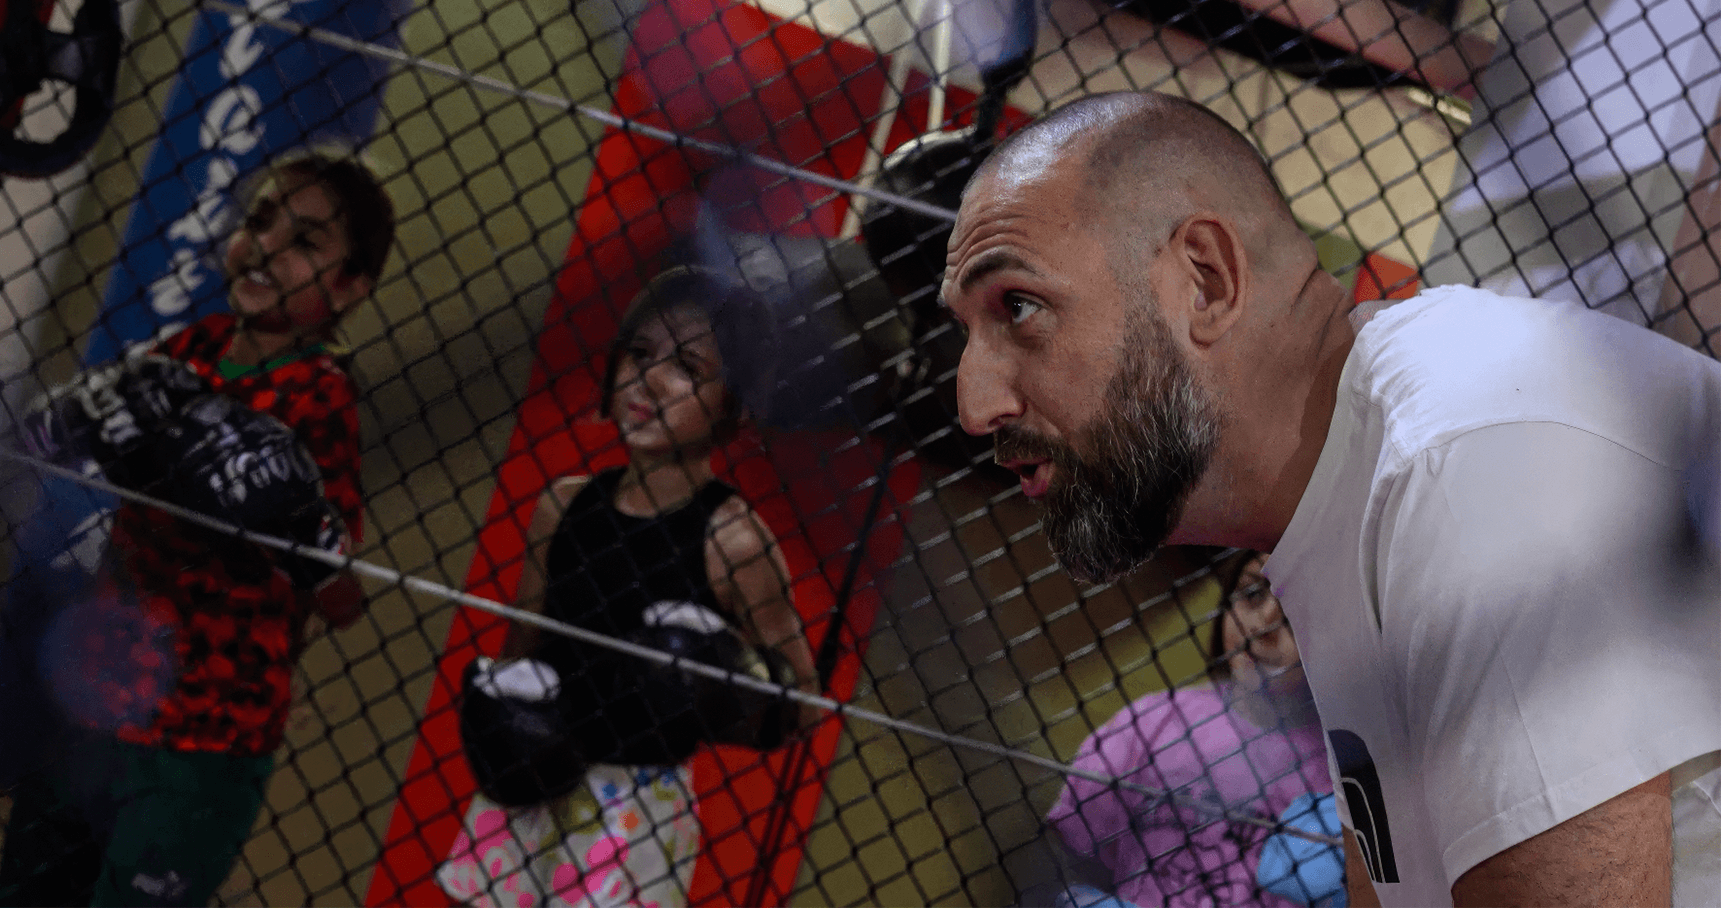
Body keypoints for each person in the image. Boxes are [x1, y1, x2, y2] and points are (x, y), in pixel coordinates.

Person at [940, 91, 1721, 907]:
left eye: (1019, 307)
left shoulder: (1460, 455)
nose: (973, 404)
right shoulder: (1342, 507)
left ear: (1204, 280)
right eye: (966, 331)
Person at [0, 149, 393, 906]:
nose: (267, 247)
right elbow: (45, 441)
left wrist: (294, 522)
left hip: (203, 740)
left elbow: (341, 600)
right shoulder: (192, 347)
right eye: (260, 220)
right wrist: (81, 415)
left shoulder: (319, 400)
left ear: (350, 286)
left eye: (306, 242)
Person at [437, 266, 820, 908]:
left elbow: (803, 703)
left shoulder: (733, 541)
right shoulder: (563, 506)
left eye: (687, 368)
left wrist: (724, 686)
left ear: (733, 402)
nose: (650, 380)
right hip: (533, 781)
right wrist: (502, 718)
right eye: (639, 354)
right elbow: (521, 651)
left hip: (635, 805)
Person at [1048, 552, 1342, 907]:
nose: (1263, 626)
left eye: (1294, 615)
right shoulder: (1153, 722)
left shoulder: (1337, 765)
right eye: (1252, 594)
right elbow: (1070, 845)